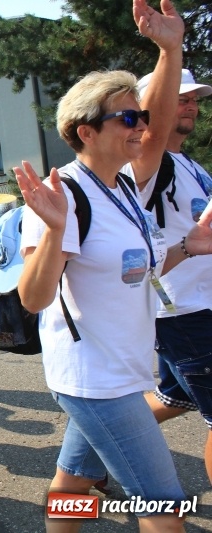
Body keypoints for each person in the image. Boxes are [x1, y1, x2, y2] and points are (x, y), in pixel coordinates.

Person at [15, 2, 202, 530]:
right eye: (127, 118)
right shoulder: (64, 197)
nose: (142, 127)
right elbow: (32, 297)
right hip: (96, 380)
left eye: (140, 116)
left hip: (121, 369)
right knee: (164, 507)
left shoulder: (121, 185)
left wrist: (191, 247)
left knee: (73, 482)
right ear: (86, 130)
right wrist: (53, 230)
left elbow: (136, 265)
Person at [135, 69, 212, 483]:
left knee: (176, 397)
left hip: (203, 303)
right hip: (182, 310)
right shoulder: (147, 161)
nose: (191, 104)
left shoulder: (189, 164)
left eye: (195, 98)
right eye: (180, 97)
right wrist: (169, 48)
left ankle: (97, 445)